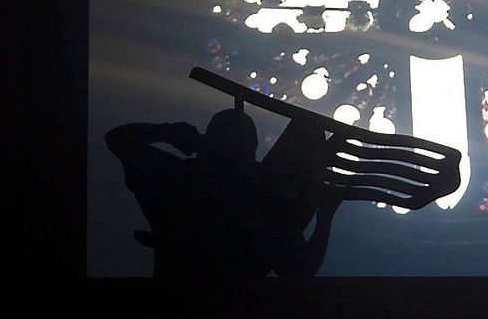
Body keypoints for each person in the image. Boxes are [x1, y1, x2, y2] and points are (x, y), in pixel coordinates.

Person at [106, 108, 342, 280]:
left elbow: (120, 139)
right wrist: (325, 217)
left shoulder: (179, 179)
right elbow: (300, 268)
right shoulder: (261, 197)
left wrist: (170, 133)